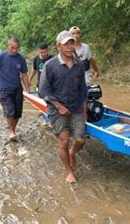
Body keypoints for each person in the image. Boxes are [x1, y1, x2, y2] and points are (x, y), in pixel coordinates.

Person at [39, 30, 87, 184]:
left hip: (76, 106)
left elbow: (83, 89)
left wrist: (84, 111)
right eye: (66, 44)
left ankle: (72, 153)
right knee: (64, 141)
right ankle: (69, 171)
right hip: (56, 108)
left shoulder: (80, 65)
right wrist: (59, 106)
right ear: (58, 46)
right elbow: (43, 91)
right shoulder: (50, 65)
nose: (69, 46)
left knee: (80, 140)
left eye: (72, 42)